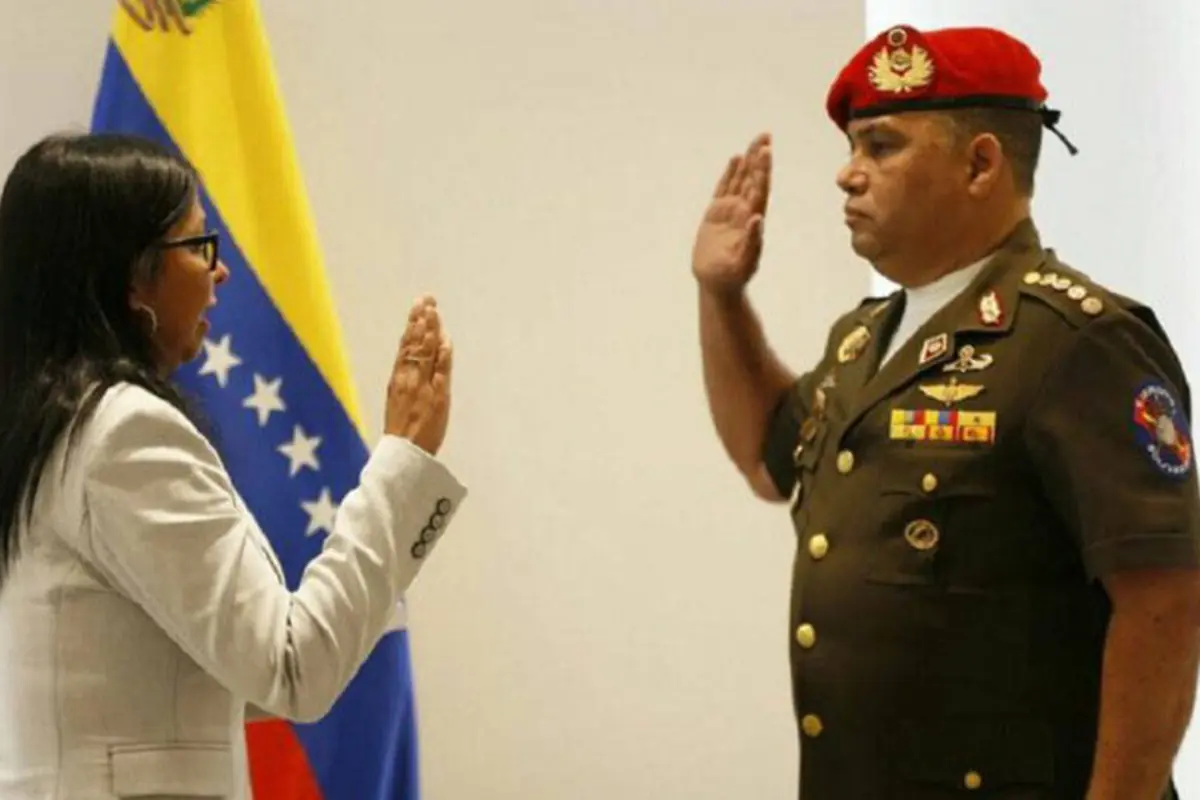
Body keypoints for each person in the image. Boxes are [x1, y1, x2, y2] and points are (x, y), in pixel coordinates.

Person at [694, 23, 1200, 800]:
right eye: (852, 148)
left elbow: (1167, 593)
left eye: (881, 146)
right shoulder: (866, 339)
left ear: (980, 163)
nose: (847, 175)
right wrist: (722, 296)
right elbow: (768, 456)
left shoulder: (1077, 340)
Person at [0, 132, 465, 797]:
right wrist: (403, 463)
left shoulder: (44, 427)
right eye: (197, 246)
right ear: (134, 279)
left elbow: (184, 673)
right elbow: (293, 667)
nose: (219, 272)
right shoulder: (123, 434)